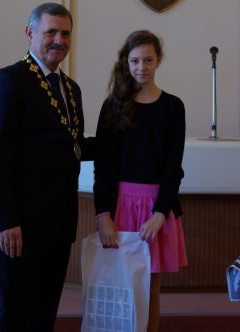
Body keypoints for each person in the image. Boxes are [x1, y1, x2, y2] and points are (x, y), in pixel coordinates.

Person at [0, 2, 94, 332]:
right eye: (50, 32)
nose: (59, 40)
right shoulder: (8, 81)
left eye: (65, 34)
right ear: (30, 33)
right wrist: (6, 220)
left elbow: (72, 146)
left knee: (45, 309)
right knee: (13, 309)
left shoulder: (71, 89)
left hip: (57, 221)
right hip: (19, 223)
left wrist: (121, 140)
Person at [93, 30, 188, 332]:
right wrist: (103, 214)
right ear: (126, 62)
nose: (141, 67)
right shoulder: (113, 106)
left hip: (155, 208)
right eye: (135, 60)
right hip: (121, 205)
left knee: (150, 289)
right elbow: (103, 166)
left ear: (158, 61)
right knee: (121, 287)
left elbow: (173, 166)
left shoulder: (173, 107)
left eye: (148, 60)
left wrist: (161, 213)